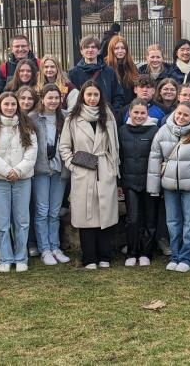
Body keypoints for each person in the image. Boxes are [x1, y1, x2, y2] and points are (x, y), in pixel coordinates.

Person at [59, 81, 121, 269]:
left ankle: (105, 256)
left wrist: (112, 168)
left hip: (104, 167)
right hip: (83, 171)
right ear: (82, 96)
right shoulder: (72, 118)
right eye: (89, 95)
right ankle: (89, 258)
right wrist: (73, 166)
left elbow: (114, 145)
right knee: (86, 216)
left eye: (96, 95)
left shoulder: (108, 116)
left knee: (105, 214)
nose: (92, 98)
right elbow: (64, 147)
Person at [148, 101, 190, 272]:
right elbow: (154, 159)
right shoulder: (163, 132)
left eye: (186, 115)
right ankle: (175, 255)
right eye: (179, 113)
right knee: (173, 222)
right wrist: (154, 187)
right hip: (169, 185)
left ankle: (188, 257)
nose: (181, 117)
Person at [0, 92, 38, 273]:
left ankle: (21, 257)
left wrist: (18, 171)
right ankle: (5, 258)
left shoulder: (27, 125)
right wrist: (6, 171)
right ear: (0, 105)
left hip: (22, 179)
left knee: (22, 221)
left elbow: (31, 151)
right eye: (6, 104)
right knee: (2, 222)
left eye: (13, 104)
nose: (10, 107)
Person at [28, 85, 70, 265]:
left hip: (60, 170)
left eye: (56, 98)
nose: (53, 101)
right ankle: (44, 248)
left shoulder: (66, 117)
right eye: (49, 97)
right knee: (42, 211)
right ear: (42, 99)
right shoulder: (33, 118)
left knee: (54, 211)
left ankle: (55, 246)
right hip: (41, 170)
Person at [118, 98, 159, 267]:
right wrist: (119, 182)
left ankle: (145, 253)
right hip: (130, 181)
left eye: (143, 113)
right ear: (130, 113)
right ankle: (132, 253)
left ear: (147, 114)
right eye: (136, 112)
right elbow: (118, 158)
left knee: (150, 219)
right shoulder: (122, 131)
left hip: (150, 181)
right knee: (133, 219)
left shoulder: (155, 131)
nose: (139, 116)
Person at [67, 36, 124, 114]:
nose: (90, 50)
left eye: (93, 47)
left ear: (99, 50)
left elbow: (118, 95)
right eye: (86, 47)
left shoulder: (109, 71)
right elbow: (71, 98)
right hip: (83, 116)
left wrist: (113, 112)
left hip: (105, 115)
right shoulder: (73, 74)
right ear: (81, 51)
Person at [105, 35, 141, 105]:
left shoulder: (132, 66)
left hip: (129, 107)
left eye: (123, 48)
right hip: (112, 107)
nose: (120, 51)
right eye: (116, 48)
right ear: (111, 50)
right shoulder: (105, 66)